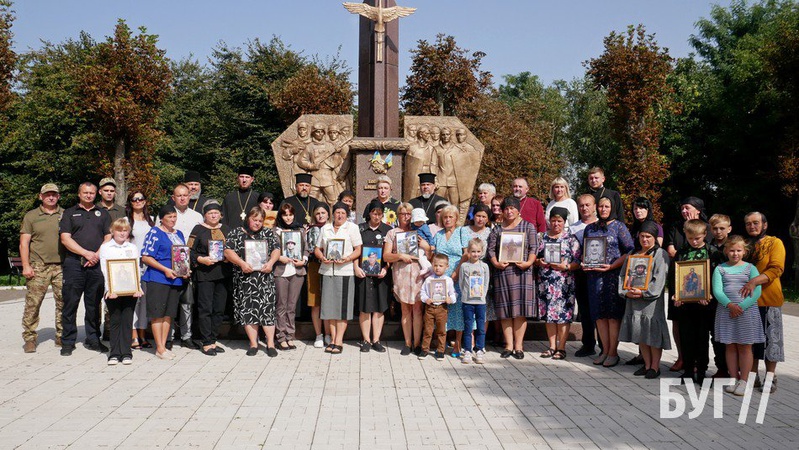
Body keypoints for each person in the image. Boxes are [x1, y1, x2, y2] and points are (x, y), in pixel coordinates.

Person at [59, 182, 112, 356]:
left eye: (91, 193)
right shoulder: (69, 213)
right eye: (85, 193)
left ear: (96, 194)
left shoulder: (103, 213)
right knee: (70, 303)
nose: (88, 195)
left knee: (93, 305)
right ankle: (67, 341)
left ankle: (93, 339)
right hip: (74, 264)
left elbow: (108, 236)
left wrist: (95, 255)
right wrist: (85, 254)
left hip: (96, 265)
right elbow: (65, 239)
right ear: (79, 194)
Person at [583, 196, 635, 368]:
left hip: (612, 277)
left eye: (607, 206)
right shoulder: (590, 228)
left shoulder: (619, 227)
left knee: (612, 317)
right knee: (599, 316)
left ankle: (613, 352)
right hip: (594, 277)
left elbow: (630, 251)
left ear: (612, 208)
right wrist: (585, 262)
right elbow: (586, 250)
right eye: (601, 206)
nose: (603, 209)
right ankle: (604, 350)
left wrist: (613, 265)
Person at [224, 206, 281, 357]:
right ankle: (254, 343)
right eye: (254, 220)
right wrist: (241, 263)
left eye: (260, 221)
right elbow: (228, 251)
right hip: (245, 279)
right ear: (248, 218)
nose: (257, 223)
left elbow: (276, 249)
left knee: (267, 312)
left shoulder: (268, 233)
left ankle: (270, 344)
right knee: (249, 311)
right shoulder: (236, 233)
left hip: (264, 279)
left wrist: (270, 263)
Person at [712, 235, 765, 396]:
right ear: (726, 251)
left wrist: (741, 307)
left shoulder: (750, 268)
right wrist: (729, 305)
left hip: (746, 312)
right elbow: (717, 290)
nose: (735, 254)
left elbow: (757, 291)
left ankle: (744, 381)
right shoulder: (720, 269)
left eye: (739, 250)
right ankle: (733, 378)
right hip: (726, 311)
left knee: (745, 346)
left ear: (744, 251)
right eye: (732, 250)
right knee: (730, 346)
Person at [664, 196, 712, 372]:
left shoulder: (709, 235)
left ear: (698, 210)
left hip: (702, 293)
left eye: (688, 208)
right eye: (682, 208)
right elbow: (672, 254)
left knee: (701, 330)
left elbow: (710, 264)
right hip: (681, 290)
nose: (684, 211)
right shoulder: (676, 229)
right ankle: (683, 360)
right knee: (681, 326)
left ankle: (700, 364)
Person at [618, 221, 671, 379]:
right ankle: (646, 364)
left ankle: (655, 367)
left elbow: (660, 279)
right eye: (642, 236)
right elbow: (623, 276)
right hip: (633, 299)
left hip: (651, 302)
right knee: (641, 332)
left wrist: (644, 293)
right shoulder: (633, 254)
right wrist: (626, 292)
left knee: (652, 333)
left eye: (648, 236)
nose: (645, 240)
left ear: (655, 238)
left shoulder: (661, 254)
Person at [488, 196, 538, 360]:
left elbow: (533, 247)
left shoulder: (528, 227)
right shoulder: (497, 229)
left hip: (522, 272)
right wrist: (496, 263)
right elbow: (491, 251)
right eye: (506, 209)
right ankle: (508, 345)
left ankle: (519, 346)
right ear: (502, 211)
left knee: (520, 311)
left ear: (518, 210)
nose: (509, 211)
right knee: (505, 311)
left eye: (512, 208)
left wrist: (529, 262)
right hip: (503, 272)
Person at [742, 212, 786, 393]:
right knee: (752, 342)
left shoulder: (775, 243)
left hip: (769, 299)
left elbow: (776, 268)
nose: (752, 226)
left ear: (765, 225)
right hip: (748, 301)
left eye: (755, 223)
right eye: (748, 224)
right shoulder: (744, 245)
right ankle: (753, 376)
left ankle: (770, 376)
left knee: (771, 340)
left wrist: (754, 281)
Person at [671, 219, 717, 385]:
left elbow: (716, 277)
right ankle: (688, 370)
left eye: (698, 238)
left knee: (702, 337)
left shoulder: (712, 252)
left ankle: (702, 370)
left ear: (705, 234)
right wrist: (676, 294)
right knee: (686, 337)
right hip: (685, 303)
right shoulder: (682, 253)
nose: (694, 241)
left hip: (704, 304)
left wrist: (710, 295)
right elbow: (675, 275)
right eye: (691, 238)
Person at [20, 183, 65, 353]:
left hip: (61, 266)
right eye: (47, 195)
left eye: (54, 194)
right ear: (41, 196)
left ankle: (61, 335)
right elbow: (24, 243)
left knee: (63, 302)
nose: (51, 197)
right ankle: (30, 338)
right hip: (38, 266)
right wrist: (26, 265)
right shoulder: (31, 216)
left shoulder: (65, 214)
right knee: (33, 303)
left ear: (58, 197)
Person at [141, 205, 189, 360]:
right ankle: (159, 347)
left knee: (168, 314)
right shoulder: (155, 232)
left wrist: (185, 270)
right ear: (161, 218)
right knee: (157, 313)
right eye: (169, 217)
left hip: (175, 279)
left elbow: (181, 255)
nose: (173, 220)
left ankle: (164, 345)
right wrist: (165, 270)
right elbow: (146, 257)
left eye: (174, 217)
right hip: (158, 277)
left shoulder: (179, 233)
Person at [314, 202, 362, 354]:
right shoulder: (325, 228)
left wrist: (347, 259)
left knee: (342, 309)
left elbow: (358, 249)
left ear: (347, 214)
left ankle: (339, 340)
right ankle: (333, 339)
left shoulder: (352, 228)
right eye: (337, 212)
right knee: (330, 308)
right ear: (332, 214)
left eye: (343, 213)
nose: (339, 215)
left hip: (345, 271)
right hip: (328, 271)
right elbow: (317, 248)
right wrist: (322, 257)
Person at [535, 207, 581, 361]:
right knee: (549, 315)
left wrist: (566, 266)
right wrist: (538, 262)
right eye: (553, 220)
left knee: (563, 316)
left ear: (564, 222)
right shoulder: (542, 237)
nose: (556, 224)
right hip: (546, 283)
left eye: (559, 221)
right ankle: (551, 346)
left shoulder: (571, 239)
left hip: (564, 283)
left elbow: (578, 262)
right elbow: (533, 257)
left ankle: (561, 347)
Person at [384, 203, 430, 356]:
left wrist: (426, 246)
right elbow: (386, 255)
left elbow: (430, 256)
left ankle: (417, 344)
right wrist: (399, 256)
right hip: (402, 273)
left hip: (418, 273)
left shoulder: (419, 230)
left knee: (417, 309)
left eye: (408, 213)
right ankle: (407, 343)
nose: (406, 216)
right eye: (403, 214)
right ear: (398, 215)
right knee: (405, 310)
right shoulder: (392, 233)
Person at [99, 218, 144, 365]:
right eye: (119, 230)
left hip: (130, 290)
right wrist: (109, 290)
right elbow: (105, 270)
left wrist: (138, 288)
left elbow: (136, 268)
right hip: (113, 291)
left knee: (127, 320)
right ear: (112, 231)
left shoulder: (132, 247)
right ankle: (114, 352)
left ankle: (126, 352)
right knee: (115, 320)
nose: (122, 233)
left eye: (125, 230)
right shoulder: (106, 247)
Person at [188, 201, 230, 356]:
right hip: (205, 274)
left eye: (216, 213)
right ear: (205, 215)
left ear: (221, 215)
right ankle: (206, 342)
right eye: (210, 213)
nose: (213, 215)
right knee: (205, 308)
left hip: (223, 273)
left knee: (219, 309)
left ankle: (213, 339)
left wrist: (228, 258)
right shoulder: (198, 229)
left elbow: (233, 248)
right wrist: (200, 259)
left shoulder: (226, 229)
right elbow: (189, 250)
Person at [166, 184, 204, 350]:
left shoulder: (197, 216)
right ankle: (168, 336)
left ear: (190, 197)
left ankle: (186, 336)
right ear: (173, 197)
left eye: (185, 195)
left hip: (190, 263)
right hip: (169, 265)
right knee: (170, 303)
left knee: (187, 303)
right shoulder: (167, 214)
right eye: (178, 195)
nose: (182, 198)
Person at [355, 200, 392, 352]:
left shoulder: (388, 230)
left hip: (381, 275)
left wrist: (386, 267)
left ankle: (376, 340)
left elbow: (391, 253)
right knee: (364, 307)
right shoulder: (360, 229)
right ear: (369, 213)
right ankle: (366, 340)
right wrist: (355, 267)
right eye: (374, 213)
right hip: (363, 274)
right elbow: (355, 249)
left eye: (380, 214)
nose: (377, 216)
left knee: (379, 308)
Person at [273, 203, 308, 351]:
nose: (288, 217)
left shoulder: (300, 230)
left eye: (290, 214)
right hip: (281, 271)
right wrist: (279, 257)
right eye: (285, 214)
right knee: (281, 305)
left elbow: (306, 249)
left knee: (292, 306)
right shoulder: (275, 231)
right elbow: (270, 250)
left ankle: (290, 335)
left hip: (297, 271)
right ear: (280, 216)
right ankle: (280, 336)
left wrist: (304, 260)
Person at [432, 205, 466, 357]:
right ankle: (441, 343)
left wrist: (456, 272)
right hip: (441, 276)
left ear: (456, 219)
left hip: (457, 275)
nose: (447, 219)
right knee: (441, 309)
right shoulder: (438, 234)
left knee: (457, 308)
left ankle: (458, 344)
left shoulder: (461, 232)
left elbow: (465, 254)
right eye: (445, 217)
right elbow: (432, 252)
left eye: (450, 217)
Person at [570, 194, 600, 357]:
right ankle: (588, 344)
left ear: (594, 206)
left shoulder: (601, 225)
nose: (584, 208)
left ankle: (605, 346)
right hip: (581, 272)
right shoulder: (574, 228)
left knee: (600, 310)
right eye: (581, 205)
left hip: (600, 273)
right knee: (585, 310)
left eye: (588, 205)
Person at [126, 190, 154, 350]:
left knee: (145, 302)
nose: (138, 201)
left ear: (145, 201)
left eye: (141, 198)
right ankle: (133, 335)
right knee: (134, 302)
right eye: (134, 199)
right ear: (130, 202)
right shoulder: (126, 221)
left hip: (149, 265)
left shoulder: (152, 221)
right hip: (132, 265)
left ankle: (143, 334)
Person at [418, 254, 457, 360]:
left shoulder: (448, 280)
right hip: (430, 308)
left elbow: (454, 294)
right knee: (428, 330)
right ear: (432, 265)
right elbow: (422, 292)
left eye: (440, 266)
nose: (437, 268)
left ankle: (440, 351)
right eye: (435, 265)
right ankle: (424, 349)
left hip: (442, 308)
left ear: (446, 267)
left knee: (441, 330)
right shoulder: (429, 279)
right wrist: (426, 299)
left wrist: (450, 299)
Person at [708, 213, 732, 377]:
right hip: (711, 298)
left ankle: (736, 368)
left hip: (731, 298)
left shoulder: (734, 248)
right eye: (715, 228)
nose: (718, 231)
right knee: (716, 335)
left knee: (732, 335)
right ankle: (722, 368)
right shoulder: (706, 248)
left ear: (729, 229)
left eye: (722, 228)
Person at [459, 238, 490, 364]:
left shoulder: (484, 266)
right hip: (467, 301)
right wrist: (466, 295)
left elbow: (486, 283)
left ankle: (479, 349)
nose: (475, 254)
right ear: (468, 251)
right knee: (468, 326)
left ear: (482, 252)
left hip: (480, 302)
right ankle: (467, 350)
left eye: (478, 251)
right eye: (473, 251)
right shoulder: (464, 266)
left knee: (481, 327)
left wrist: (482, 296)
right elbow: (461, 283)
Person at [307, 205, 330, 348]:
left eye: (323, 213)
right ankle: (318, 334)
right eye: (318, 213)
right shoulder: (310, 229)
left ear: (328, 214)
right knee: (315, 301)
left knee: (328, 301)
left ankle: (328, 333)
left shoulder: (333, 228)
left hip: (330, 265)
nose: (320, 215)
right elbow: (309, 248)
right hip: (314, 266)